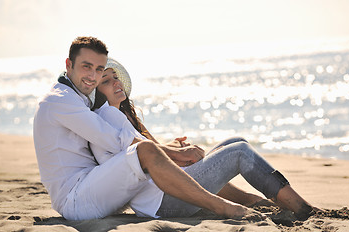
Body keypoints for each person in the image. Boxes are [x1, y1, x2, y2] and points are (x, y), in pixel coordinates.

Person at [34, 36, 268, 221]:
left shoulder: (79, 98)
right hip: (76, 199)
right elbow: (113, 140)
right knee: (145, 151)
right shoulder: (60, 100)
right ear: (69, 64)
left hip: (95, 185)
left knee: (155, 152)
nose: (93, 76)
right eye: (87, 67)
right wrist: (174, 153)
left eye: (99, 69)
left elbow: (119, 141)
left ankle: (250, 200)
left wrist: (170, 150)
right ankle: (223, 207)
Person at [89, 58, 316, 220]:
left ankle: (256, 200)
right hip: (165, 201)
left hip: (166, 193)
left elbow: (147, 154)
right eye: (106, 81)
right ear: (96, 92)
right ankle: (300, 206)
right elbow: (141, 158)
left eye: (115, 77)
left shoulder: (120, 116)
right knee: (239, 152)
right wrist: (177, 153)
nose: (116, 82)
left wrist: (175, 149)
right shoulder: (107, 116)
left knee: (235, 141)